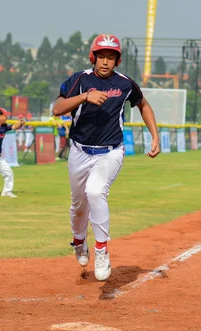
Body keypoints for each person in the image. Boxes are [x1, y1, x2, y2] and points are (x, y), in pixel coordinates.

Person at [52, 34, 160, 281]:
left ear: (117, 60)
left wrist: (155, 136)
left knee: (96, 191)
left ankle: (102, 250)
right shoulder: (79, 80)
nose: (105, 62)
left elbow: (143, 104)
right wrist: (84, 96)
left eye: (111, 57)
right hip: (79, 151)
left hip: (111, 151)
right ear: (93, 57)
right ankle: (79, 241)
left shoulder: (124, 84)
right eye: (101, 56)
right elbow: (56, 110)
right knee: (78, 205)